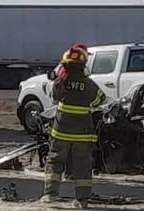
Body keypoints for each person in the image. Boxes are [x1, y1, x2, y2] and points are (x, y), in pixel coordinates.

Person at [42, 44, 105, 209]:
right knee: (82, 166)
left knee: (55, 162)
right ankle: (82, 200)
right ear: (83, 65)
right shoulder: (89, 84)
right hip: (82, 134)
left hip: (61, 131)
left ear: (65, 66)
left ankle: (50, 194)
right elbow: (100, 100)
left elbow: (54, 100)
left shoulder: (60, 82)